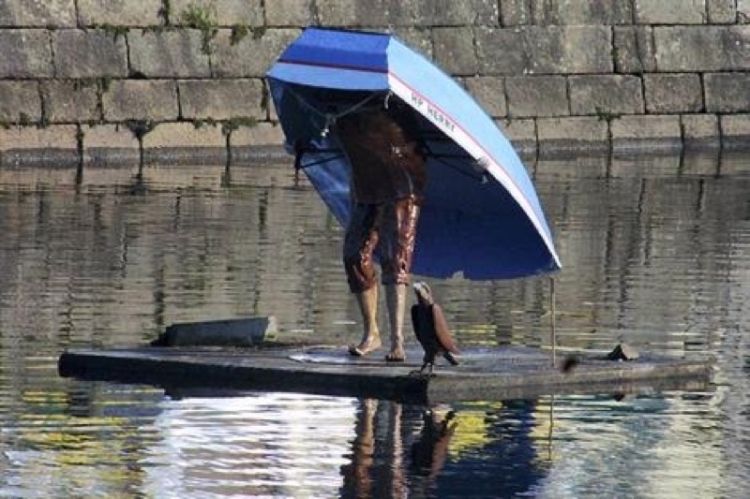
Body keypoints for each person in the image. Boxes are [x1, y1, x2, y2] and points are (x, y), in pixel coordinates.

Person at [333, 95, 427, 362]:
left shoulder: (393, 107)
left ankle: (397, 339)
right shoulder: (337, 110)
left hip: (402, 186)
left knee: (395, 258)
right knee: (354, 255)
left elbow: (413, 150)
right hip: (366, 187)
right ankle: (372, 332)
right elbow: (354, 159)